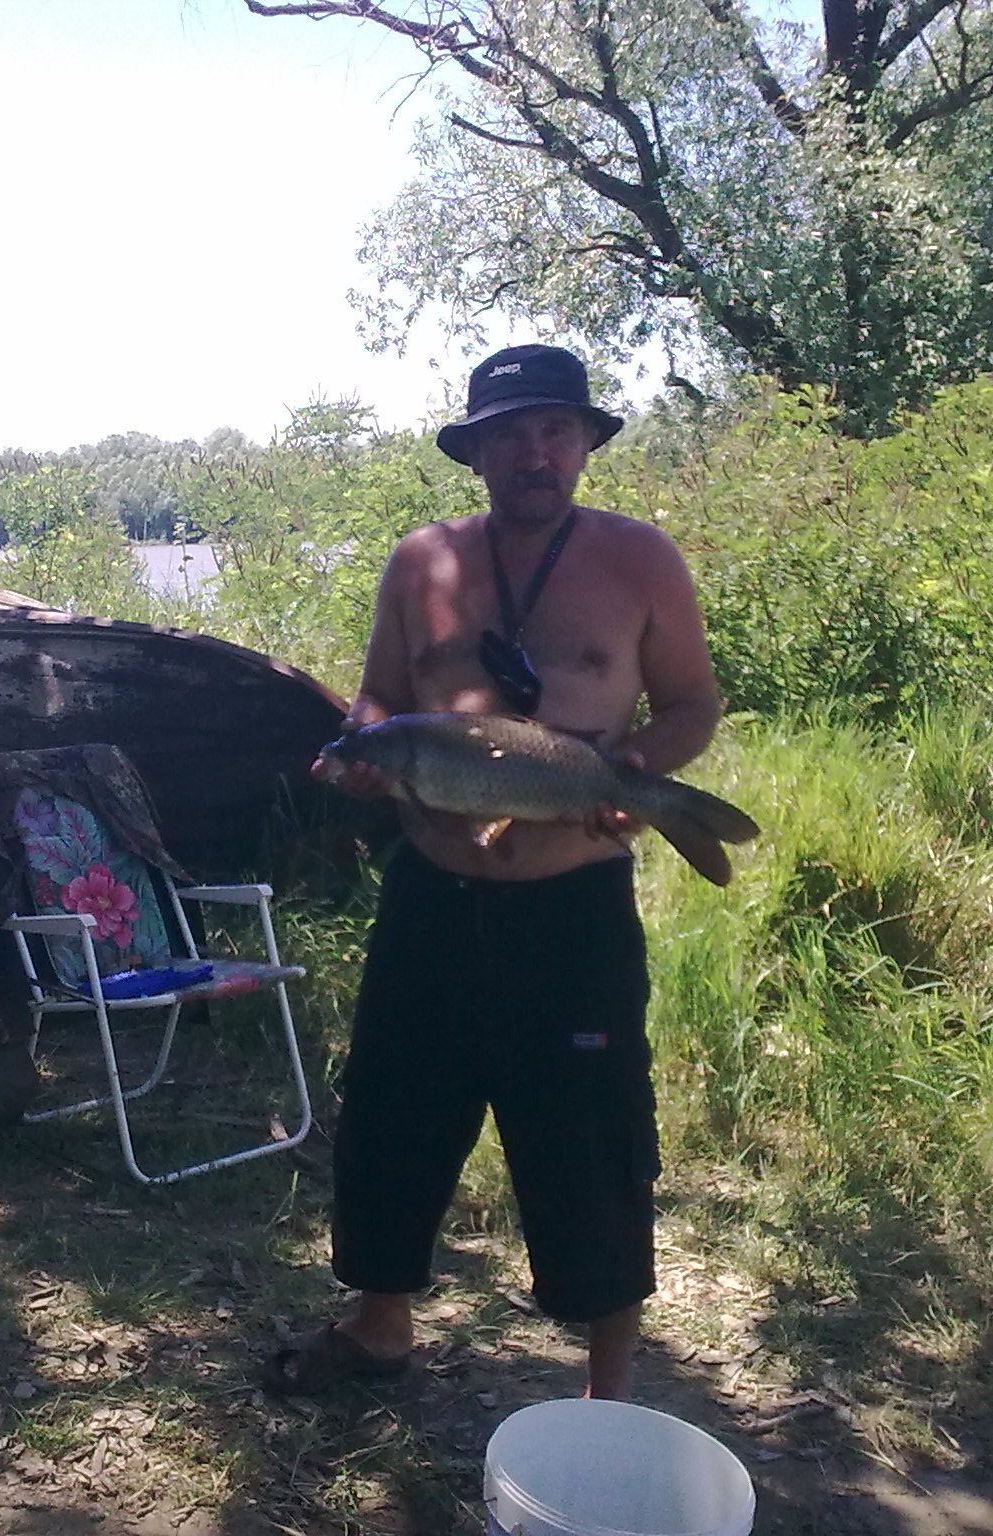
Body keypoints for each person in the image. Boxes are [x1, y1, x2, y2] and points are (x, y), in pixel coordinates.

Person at [267, 343, 724, 1401]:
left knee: (592, 1134)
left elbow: (692, 704)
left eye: (555, 429)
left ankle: (608, 1387)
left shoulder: (639, 559)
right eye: (510, 434)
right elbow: (377, 700)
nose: (534, 451)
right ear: (475, 453)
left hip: (573, 910)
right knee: (392, 1109)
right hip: (431, 895)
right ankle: (379, 1324)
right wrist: (366, 754)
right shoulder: (419, 560)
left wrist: (633, 772)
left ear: (585, 443)